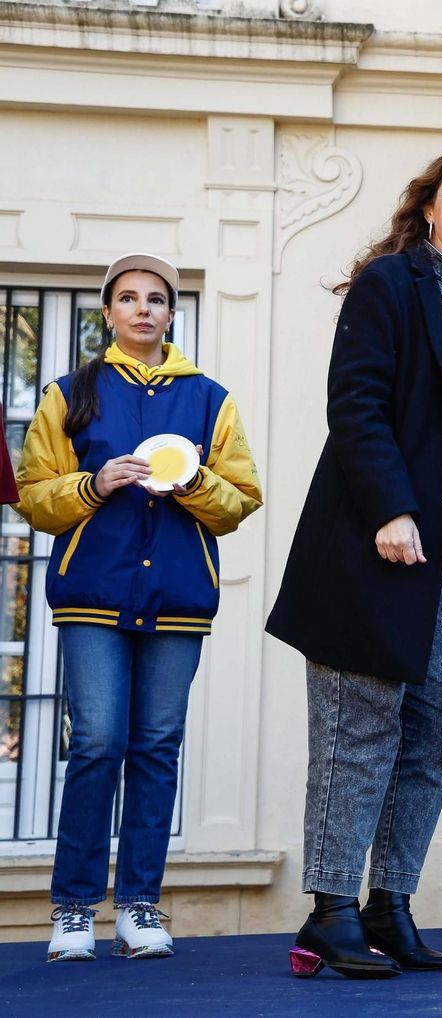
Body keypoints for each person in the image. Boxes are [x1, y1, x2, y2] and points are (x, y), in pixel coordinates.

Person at [266, 152, 442, 979]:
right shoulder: (390, 284)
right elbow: (357, 400)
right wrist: (391, 508)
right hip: (374, 550)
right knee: (357, 731)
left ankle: (389, 905)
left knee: (429, 737)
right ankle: (331, 910)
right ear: (430, 210)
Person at [17, 252, 262, 962]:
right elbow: (35, 494)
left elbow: (241, 499)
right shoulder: (70, 395)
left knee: (157, 747)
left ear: (173, 313)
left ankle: (140, 907)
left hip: (179, 598)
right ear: (109, 312)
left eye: (157, 298)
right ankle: (71, 909)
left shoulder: (211, 399)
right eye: (129, 298)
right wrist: (93, 485)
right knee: (98, 742)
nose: (144, 309)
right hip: (93, 593)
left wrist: (191, 484)